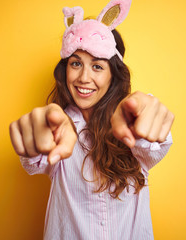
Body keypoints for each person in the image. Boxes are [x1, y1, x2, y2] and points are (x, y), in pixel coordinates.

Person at [9, 0, 174, 239]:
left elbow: (153, 141)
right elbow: (35, 158)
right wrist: (35, 136)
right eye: (76, 63)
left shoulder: (131, 127)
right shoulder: (58, 130)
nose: (84, 77)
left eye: (97, 66)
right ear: (65, 70)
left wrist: (149, 115)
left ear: (113, 75)